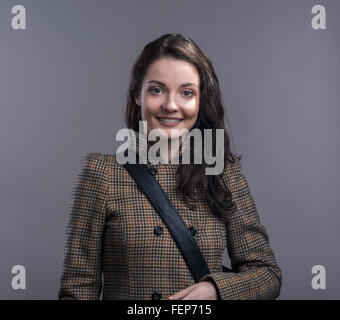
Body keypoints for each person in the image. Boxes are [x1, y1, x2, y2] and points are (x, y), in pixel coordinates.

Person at [58, 33, 282, 300]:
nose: (171, 105)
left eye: (186, 92)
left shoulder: (222, 173)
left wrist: (216, 290)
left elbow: (267, 274)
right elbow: (77, 290)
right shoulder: (102, 173)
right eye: (157, 90)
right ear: (137, 95)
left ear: (200, 100)